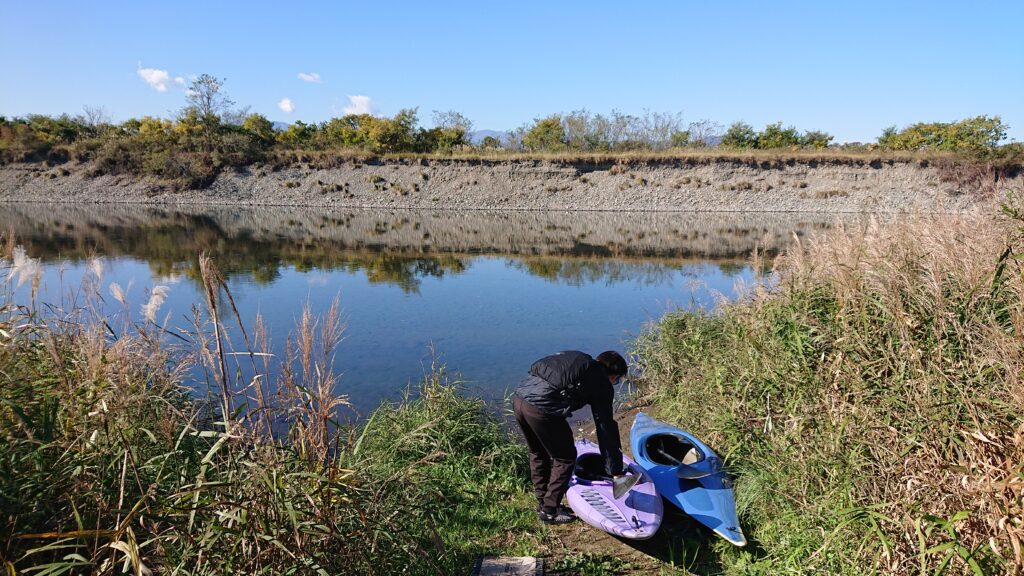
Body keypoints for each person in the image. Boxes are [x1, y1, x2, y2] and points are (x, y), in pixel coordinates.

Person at [512, 350, 629, 524]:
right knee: (565, 458)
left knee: (538, 452)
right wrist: (616, 471)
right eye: (617, 380)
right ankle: (549, 511)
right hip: (542, 409)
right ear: (613, 374)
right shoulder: (601, 381)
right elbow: (605, 428)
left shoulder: (579, 362)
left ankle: (542, 501)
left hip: (519, 400)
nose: (615, 383)